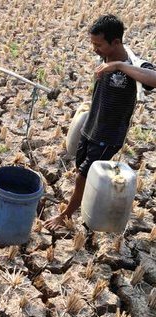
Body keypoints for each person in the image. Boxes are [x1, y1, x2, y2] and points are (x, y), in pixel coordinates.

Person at [45, 15, 155, 230]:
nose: (94, 49)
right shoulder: (103, 58)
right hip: (91, 128)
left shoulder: (134, 64)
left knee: (83, 175)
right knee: (82, 168)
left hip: (108, 136)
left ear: (116, 42)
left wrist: (119, 66)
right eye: (93, 43)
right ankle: (87, 201)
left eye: (98, 44)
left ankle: (67, 215)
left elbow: (154, 78)